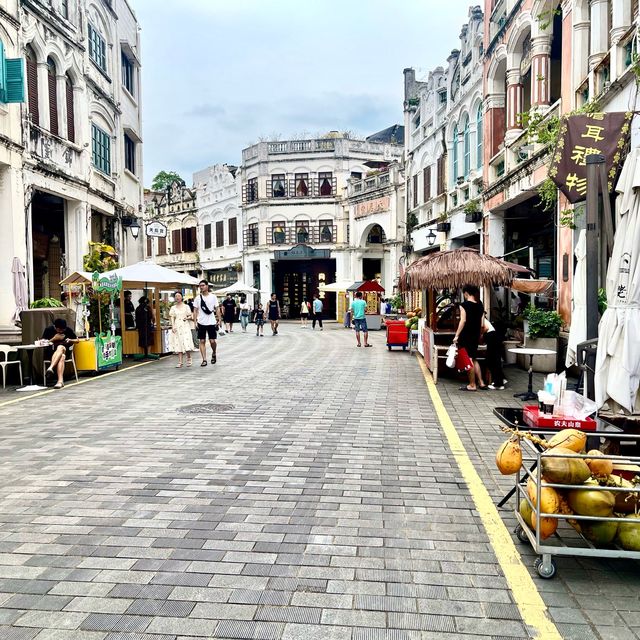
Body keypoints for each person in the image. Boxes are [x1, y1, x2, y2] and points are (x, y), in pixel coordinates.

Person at [452, 284, 486, 391]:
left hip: (466, 335)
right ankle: (481, 382)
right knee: (474, 358)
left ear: (466, 293)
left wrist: (456, 335)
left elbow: (463, 321)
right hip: (475, 335)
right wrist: (479, 334)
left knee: (469, 359)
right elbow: (482, 324)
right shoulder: (480, 306)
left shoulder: (464, 305)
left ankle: (472, 385)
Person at [43, 318, 79, 389]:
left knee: (61, 347)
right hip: (51, 352)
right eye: (59, 330)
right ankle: (60, 381)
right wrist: (54, 339)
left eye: (63, 330)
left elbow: (77, 340)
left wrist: (70, 340)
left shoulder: (68, 330)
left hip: (65, 350)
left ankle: (50, 367)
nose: (61, 331)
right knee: (62, 357)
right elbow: (43, 343)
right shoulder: (48, 330)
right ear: (55, 327)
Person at [192, 280, 220, 366]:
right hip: (201, 322)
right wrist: (195, 322)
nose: (201, 287)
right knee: (202, 340)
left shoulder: (213, 297)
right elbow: (195, 310)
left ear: (207, 286)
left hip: (211, 322)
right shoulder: (197, 298)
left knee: (212, 341)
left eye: (203, 285)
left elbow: (217, 308)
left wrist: (219, 319)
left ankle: (214, 353)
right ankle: (204, 359)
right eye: (200, 286)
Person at [169, 292, 195, 367]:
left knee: (186, 341)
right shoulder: (173, 307)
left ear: (182, 297)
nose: (177, 297)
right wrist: (173, 326)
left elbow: (190, 315)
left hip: (185, 325)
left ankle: (189, 357)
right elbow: (172, 317)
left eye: (179, 296)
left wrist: (187, 318)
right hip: (177, 325)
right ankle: (180, 361)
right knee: (178, 342)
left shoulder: (186, 306)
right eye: (176, 296)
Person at [482, 314, 507, 390]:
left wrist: (480, 334)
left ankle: (498, 384)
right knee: (493, 360)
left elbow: (485, 328)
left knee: (492, 360)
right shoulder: (482, 317)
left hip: (491, 337)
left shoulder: (480, 317)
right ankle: (501, 379)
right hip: (494, 337)